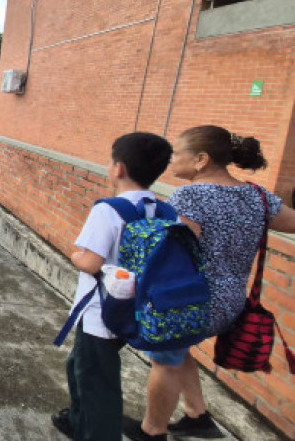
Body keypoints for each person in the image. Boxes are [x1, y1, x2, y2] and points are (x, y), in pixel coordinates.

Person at [133, 125, 295, 441]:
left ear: (201, 159)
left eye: (177, 154)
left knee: (164, 356)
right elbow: (291, 221)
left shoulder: (190, 196)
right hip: (233, 303)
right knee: (180, 348)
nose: (171, 160)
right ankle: (197, 416)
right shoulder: (259, 197)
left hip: (194, 301)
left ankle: (151, 432)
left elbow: (172, 255)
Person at [51, 132, 173, 441]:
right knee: (80, 364)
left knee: (98, 384)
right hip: (134, 307)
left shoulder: (109, 209)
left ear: (118, 169)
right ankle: (77, 420)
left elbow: (91, 263)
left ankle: (95, 432)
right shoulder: (163, 210)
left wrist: (74, 254)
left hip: (100, 310)